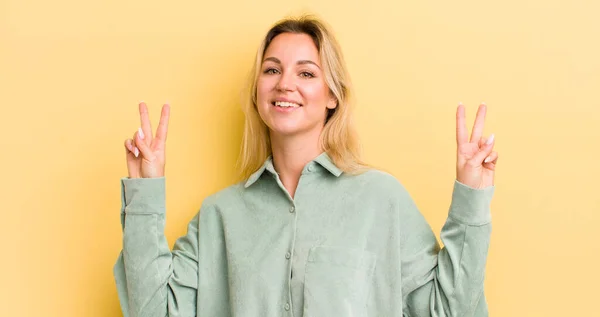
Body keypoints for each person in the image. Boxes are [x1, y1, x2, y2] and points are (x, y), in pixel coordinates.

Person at [113, 15, 498, 317]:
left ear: (332, 95)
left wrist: (471, 199)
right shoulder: (219, 216)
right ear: (258, 90)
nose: (285, 84)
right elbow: (152, 312)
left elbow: (448, 312)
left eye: (307, 73)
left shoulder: (382, 199)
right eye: (272, 69)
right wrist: (144, 195)